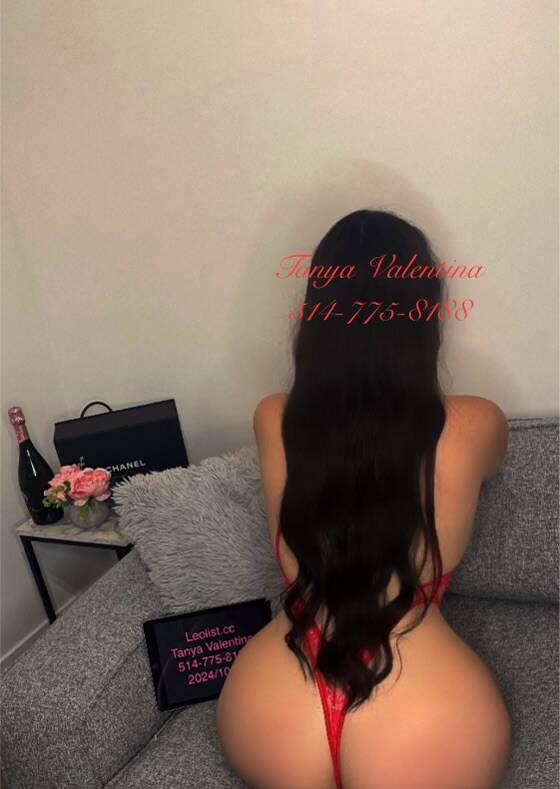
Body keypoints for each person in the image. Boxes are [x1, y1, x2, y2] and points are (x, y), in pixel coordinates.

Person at [216, 209, 512, 789]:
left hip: (269, 706)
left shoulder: (273, 418)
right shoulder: (477, 423)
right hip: (424, 710)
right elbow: (491, 464)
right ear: (424, 317)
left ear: (316, 313)